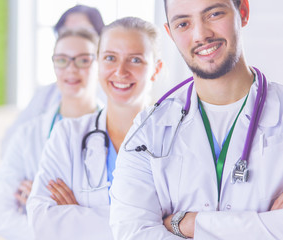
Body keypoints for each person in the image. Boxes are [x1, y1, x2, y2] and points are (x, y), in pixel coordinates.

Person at [110, 0, 283, 239]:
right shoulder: (147, 131)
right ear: (170, 33)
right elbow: (132, 232)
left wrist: (188, 224)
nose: (201, 34)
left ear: (243, 11)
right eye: (183, 23)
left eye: (213, 14)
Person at [26, 17, 163, 240]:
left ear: (156, 70)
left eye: (135, 60)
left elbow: (183, 225)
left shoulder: (175, 140)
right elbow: (42, 221)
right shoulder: (67, 136)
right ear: (98, 63)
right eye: (110, 58)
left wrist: (76, 218)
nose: (120, 71)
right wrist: (149, 224)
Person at [0, 28, 100, 240]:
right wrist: (63, 226)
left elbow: (122, 215)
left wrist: (43, 210)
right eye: (62, 60)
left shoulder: (115, 130)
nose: (71, 69)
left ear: (99, 63)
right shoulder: (28, 135)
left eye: (83, 60)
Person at [1, 5, 105, 156]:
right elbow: (10, 145)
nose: (73, 36)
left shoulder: (111, 96)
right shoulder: (46, 95)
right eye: (65, 31)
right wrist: (29, 178)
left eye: (83, 31)